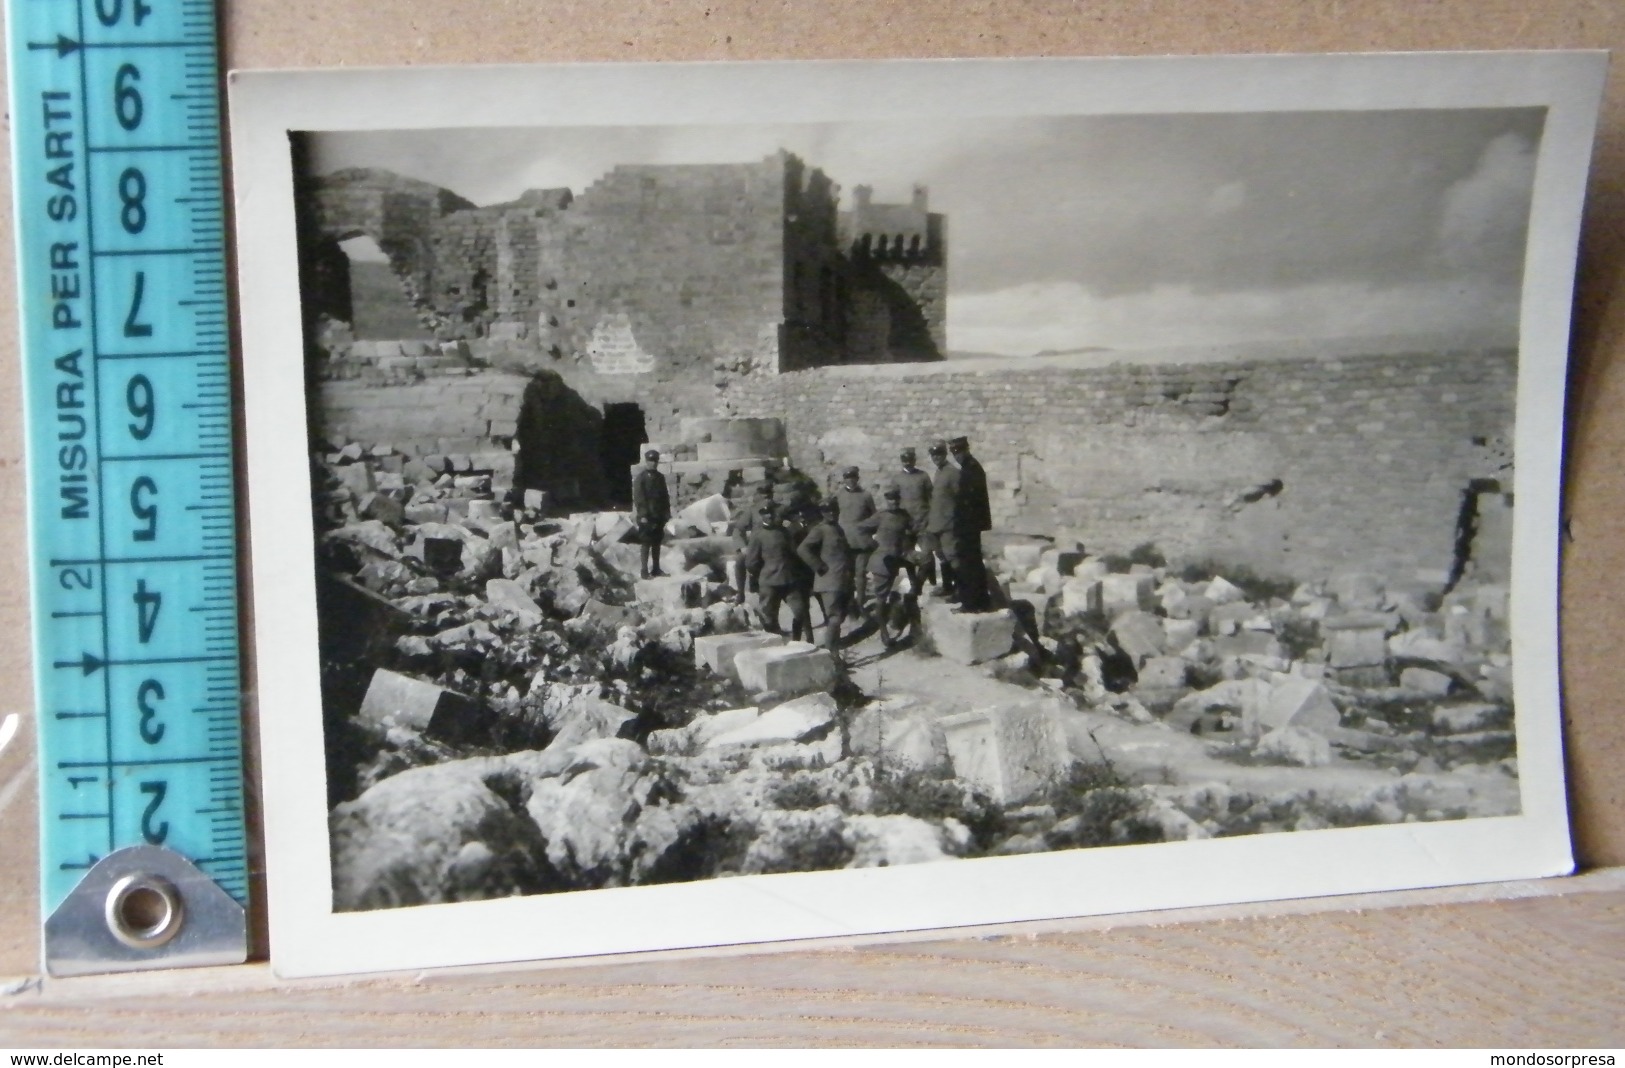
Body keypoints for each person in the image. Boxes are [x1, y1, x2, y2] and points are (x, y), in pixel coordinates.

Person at [743, 504, 812, 643]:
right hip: (769, 582)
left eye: (771, 514)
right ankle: (774, 646)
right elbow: (751, 562)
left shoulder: (784, 532)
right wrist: (763, 573)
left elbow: (793, 553)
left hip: (789, 579)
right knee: (769, 617)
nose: (769, 516)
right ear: (762, 515)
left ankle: (796, 642)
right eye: (766, 513)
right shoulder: (758, 535)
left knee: (800, 612)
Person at [858, 485, 917, 646]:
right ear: (887, 501)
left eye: (896, 500)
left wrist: (909, 546)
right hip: (882, 561)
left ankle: (899, 623)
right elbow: (861, 527)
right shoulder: (881, 516)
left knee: (899, 592)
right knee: (881, 598)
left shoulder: (904, 516)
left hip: (897, 560)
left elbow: (913, 530)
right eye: (891, 500)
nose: (894, 503)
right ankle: (883, 632)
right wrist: (873, 544)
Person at [796, 498, 853, 651]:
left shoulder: (837, 528)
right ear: (822, 513)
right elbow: (803, 549)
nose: (832, 513)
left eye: (834, 510)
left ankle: (834, 649)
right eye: (827, 511)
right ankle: (831, 654)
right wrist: (819, 566)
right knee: (834, 618)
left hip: (842, 580)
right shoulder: (819, 529)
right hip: (829, 581)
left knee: (839, 618)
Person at [949, 435, 992, 612]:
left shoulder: (972, 470)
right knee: (972, 564)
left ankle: (971, 603)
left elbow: (972, 502)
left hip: (969, 526)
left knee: (968, 566)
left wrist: (964, 525)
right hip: (968, 526)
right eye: (954, 453)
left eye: (959, 452)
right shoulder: (969, 468)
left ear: (966, 450)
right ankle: (979, 602)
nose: (956, 456)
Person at [833, 465, 877, 615]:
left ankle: (860, 604)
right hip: (844, 541)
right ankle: (848, 603)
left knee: (860, 574)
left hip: (861, 541)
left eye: (853, 478)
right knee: (846, 574)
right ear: (844, 479)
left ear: (857, 479)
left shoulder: (866, 495)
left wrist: (865, 528)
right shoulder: (838, 495)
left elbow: (874, 517)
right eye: (847, 478)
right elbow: (831, 515)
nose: (850, 481)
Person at [922, 440, 959, 599]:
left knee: (953, 556)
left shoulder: (953, 473)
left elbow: (960, 498)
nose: (936, 457)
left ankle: (959, 590)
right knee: (942, 556)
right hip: (937, 524)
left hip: (949, 524)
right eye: (933, 455)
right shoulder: (939, 472)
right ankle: (947, 586)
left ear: (945, 454)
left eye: (939, 454)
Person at [728, 481, 774, 605]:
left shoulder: (780, 508)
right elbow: (738, 529)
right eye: (763, 496)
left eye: (768, 495)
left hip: (776, 544)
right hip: (758, 546)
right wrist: (742, 547)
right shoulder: (752, 511)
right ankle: (741, 593)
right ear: (758, 496)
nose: (766, 499)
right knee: (740, 560)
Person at [891, 447, 933, 581]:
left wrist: (929, 518)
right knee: (907, 555)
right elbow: (894, 502)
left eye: (910, 460)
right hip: (906, 524)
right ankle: (913, 582)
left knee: (927, 554)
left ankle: (926, 580)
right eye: (904, 460)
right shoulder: (897, 479)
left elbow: (931, 498)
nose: (907, 463)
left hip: (923, 522)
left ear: (914, 460)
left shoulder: (923, 476)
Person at [631, 449, 671, 579]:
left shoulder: (660, 477)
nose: (652, 464)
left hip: (658, 516)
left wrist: (666, 513)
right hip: (646, 517)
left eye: (654, 461)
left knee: (656, 543)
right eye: (650, 461)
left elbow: (664, 496)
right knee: (646, 543)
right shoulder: (641, 478)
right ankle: (644, 571)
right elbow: (639, 498)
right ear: (646, 461)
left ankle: (656, 569)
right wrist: (643, 515)